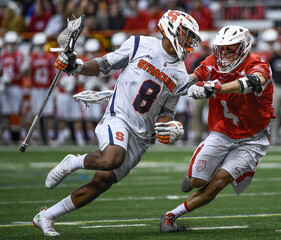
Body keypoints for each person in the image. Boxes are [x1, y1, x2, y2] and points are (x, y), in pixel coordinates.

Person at [32, 9, 201, 237]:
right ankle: (73, 162)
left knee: (102, 182)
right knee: (112, 158)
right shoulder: (140, 44)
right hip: (118, 116)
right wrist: (77, 67)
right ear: (170, 29)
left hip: (142, 137)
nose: (188, 41)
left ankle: (46, 216)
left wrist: (168, 127)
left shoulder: (181, 74)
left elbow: (166, 111)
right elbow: (104, 65)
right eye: (185, 34)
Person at [159, 25, 275, 232]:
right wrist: (176, 85)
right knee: (196, 181)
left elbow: (250, 83)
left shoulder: (258, 65)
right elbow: (192, 78)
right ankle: (193, 178)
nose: (223, 54)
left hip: (252, 138)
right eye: (221, 49)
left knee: (219, 181)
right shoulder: (212, 62)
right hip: (222, 131)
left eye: (230, 49)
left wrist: (213, 88)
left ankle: (170, 216)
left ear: (243, 47)